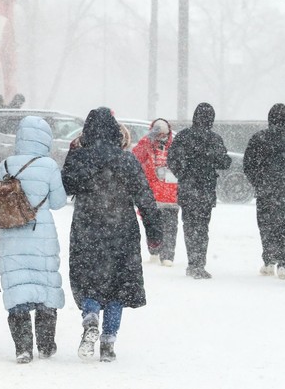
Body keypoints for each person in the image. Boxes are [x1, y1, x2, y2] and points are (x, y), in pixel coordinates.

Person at [61, 107, 162, 363]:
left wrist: (76, 155)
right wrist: (154, 232)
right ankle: (108, 342)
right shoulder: (127, 160)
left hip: (87, 228)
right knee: (119, 287)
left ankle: (91, 315)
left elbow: (66, 186)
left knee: (88, 279)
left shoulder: (80, 158)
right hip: (121, 230)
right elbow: (145, 198)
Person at [0, 116, 67, 364]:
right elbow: (58, 203)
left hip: (11, 233)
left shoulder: (5, 164)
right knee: (45, 287)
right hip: (41, 235)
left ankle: (23, 348)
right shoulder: (48, 165)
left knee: (17, 289)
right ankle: (46, 345)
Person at [167, 102, 231, 279]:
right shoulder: (214, 139)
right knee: (202, 227)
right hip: (206, 188)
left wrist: (183, 173)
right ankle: (199, 264)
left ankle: (192, 263)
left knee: (189, 226)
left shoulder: (183, 136)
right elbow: (224, 162)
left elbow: (172, 159)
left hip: (187, 188)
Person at [243, 104, 285, 279]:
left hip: (265, 190)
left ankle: (269, 260)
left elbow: (248, 165)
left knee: (266, 226)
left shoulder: (259, 138)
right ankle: (284, 263)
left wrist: (258, 182)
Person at [132, 118, 179, 267]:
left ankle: (167, 255)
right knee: (152, 224)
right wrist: (147, 140)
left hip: (170, 193)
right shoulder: (146, 144)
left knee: (170, 225)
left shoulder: (175, 145)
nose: (160, 137)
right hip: (152, 192)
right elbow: (135, 158)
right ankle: (154, 251)